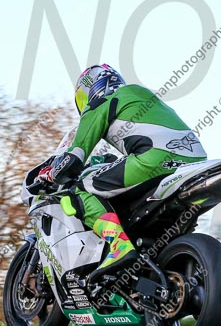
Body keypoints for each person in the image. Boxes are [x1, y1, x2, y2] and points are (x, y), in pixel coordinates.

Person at [39, 64, 207, 280]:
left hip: (154, 159)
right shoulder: (142, 95)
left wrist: (52, 173)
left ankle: (118, 245)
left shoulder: (100, 103)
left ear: (90, 89)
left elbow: (74, 157)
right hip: (194, 161)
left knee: (79, 189)